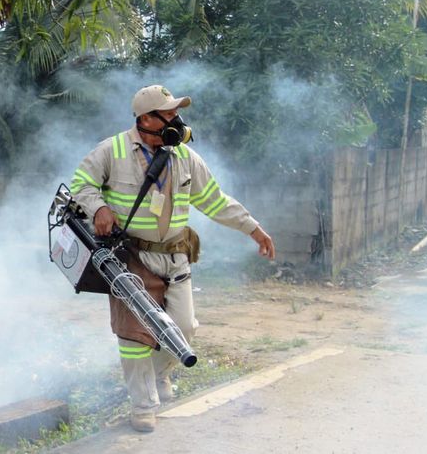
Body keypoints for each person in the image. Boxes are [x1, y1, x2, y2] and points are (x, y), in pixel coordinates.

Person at [70, 84, 276, 432]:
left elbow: (214, 200)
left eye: (177, 114)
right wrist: (99, 207)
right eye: (169, 114)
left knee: (184, 328)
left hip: (175, 256)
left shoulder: (185, 157)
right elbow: (81, 184)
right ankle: (143, 405)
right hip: (129, 257)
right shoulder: (112, 150)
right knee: (135, 336)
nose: (177, 121)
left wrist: (252, 228)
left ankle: (159, 373)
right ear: (146, 119)